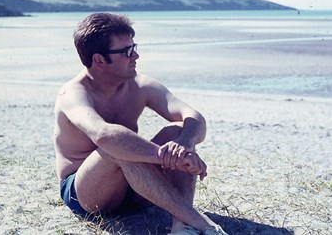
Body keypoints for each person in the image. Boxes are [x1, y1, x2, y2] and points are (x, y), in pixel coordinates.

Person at [53, 12, 227, 235]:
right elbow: (104, 135)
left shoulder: (140, 85)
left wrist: (184, 143)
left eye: (134, 47)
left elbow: (193, 116)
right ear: (99, 60)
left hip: (138, 185)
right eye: (127, 51)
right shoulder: (73, 94)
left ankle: (180, 225)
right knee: (115, 146)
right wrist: (167, 156)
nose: (136, 56)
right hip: (87, 192)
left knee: (176, 132)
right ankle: (199, 223)